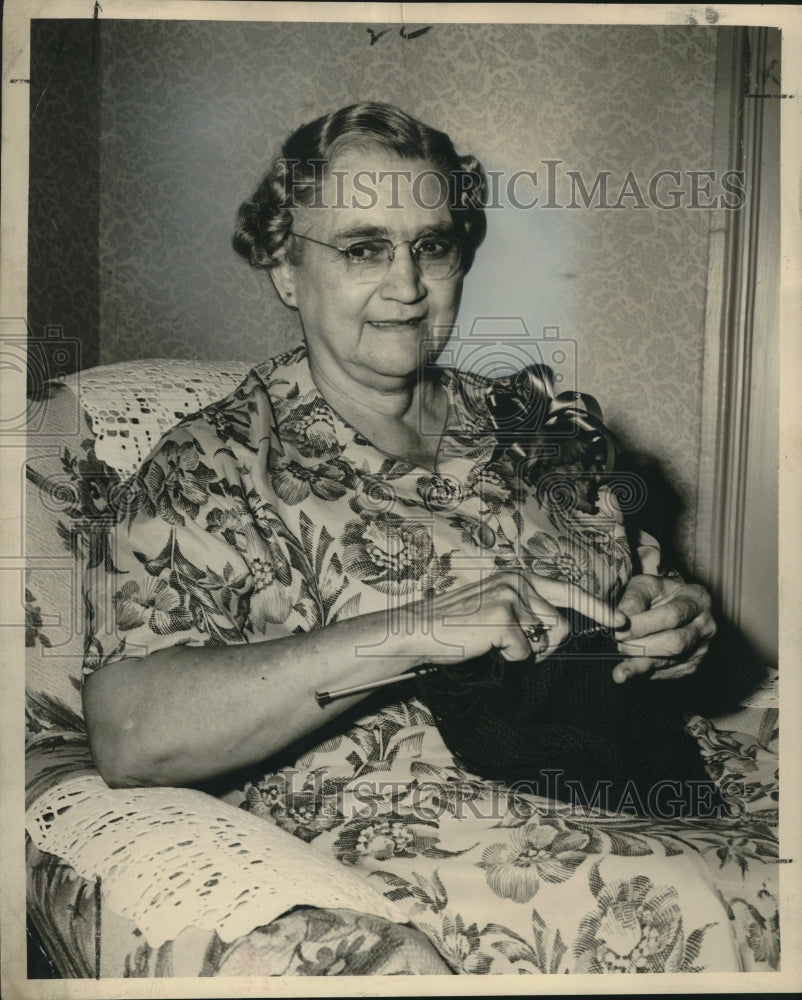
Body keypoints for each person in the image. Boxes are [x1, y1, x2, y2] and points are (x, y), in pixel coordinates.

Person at [82, 102, 716, 804]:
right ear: (286, 269)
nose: (409, 287)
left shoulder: (535, 426)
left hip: (648, 787)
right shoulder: (214, 465)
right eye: (363, 249)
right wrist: (415, 632)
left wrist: (663, 626)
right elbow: (129, 734)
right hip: (455, 860)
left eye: (432, 247)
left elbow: (636, 590)